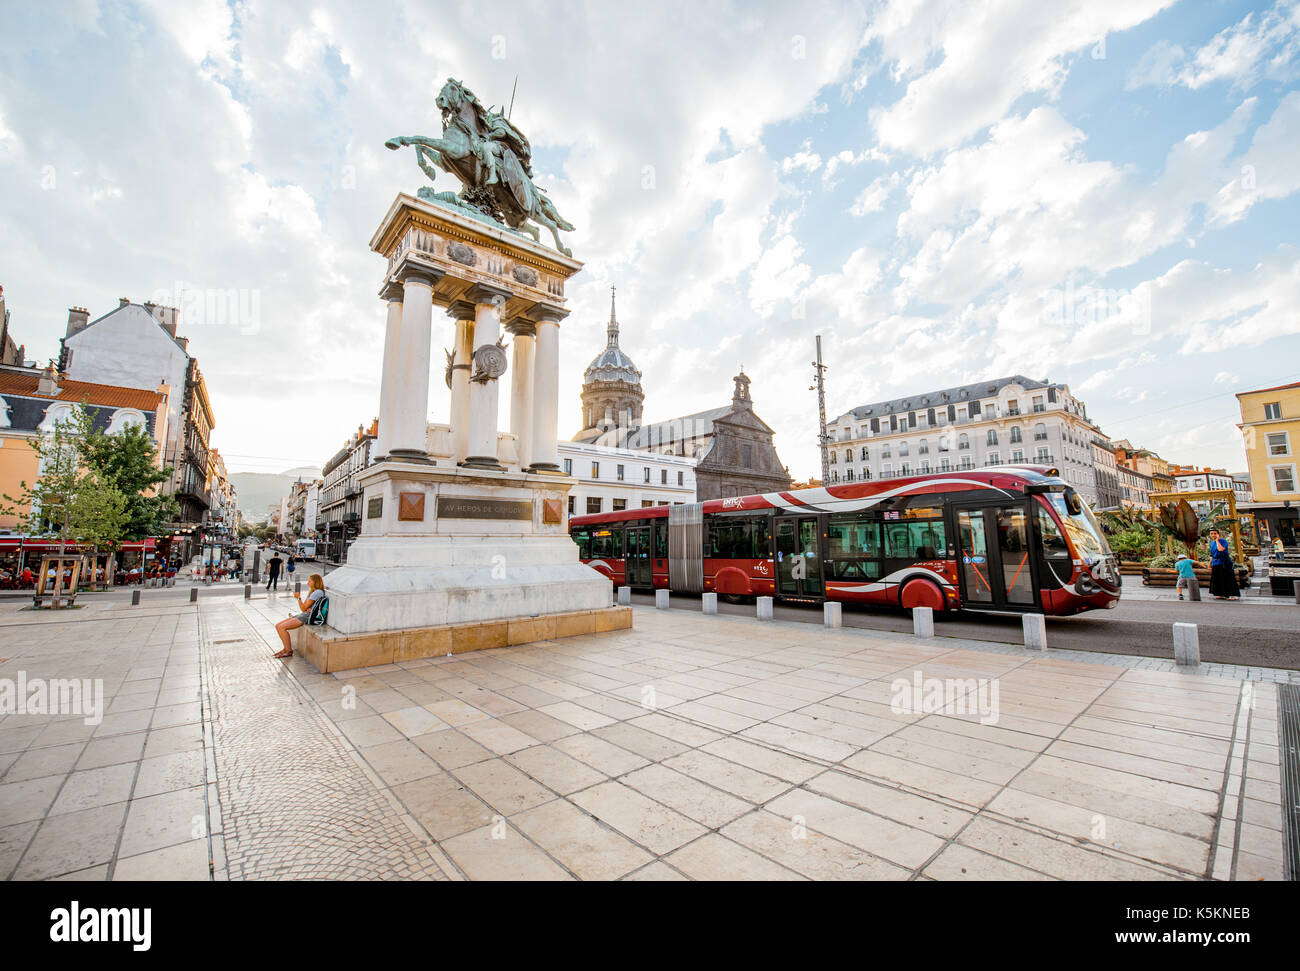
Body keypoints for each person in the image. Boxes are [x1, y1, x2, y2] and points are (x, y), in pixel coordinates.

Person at [272, 573, 325, 659]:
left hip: (306, 616)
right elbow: (304, 608)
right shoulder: (314, 592)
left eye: (310, 581)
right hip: (305, 614)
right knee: (278, 625)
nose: (308, 583)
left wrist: (299, 598)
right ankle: (286, 649)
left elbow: (303, 608)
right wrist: (304, 606)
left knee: (281, 627)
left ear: (315, 582)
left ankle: (288, 650)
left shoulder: (317, 592)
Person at [1208, 528, 1240, 600]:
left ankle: (1233, 594)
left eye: (1215, 533)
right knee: (1218, 578)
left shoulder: (1223, 541)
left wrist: (1217, 541)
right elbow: (1212, 554)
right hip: (1216, 562)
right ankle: (1221, 593)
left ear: (1218, 534)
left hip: (1224, 561)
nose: (1213, 535)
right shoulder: (1212, 543)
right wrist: (1210, 564)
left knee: (1228, 577)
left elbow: (1221, 549)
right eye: (1212, 533)